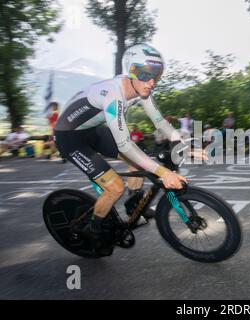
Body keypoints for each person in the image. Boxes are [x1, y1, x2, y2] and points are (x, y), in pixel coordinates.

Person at [53, 44, 205, 253]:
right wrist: (163, 172)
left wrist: (182, 145)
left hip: (92, 130)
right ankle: (93, 229)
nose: (151, 82)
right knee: (115, 187)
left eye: (157, 76)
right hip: (69, 137)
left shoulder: (142, 89)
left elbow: (160, 122)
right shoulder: (113, 94)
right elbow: (124, 144)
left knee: (137, 162)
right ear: (131, 71)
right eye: (146, 75)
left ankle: (134, 204)